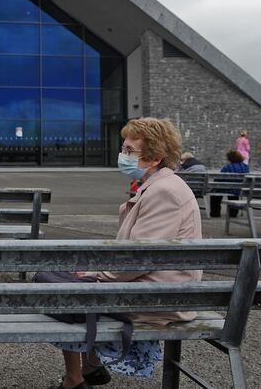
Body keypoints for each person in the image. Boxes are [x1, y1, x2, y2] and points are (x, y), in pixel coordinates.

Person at [51, 117, 202, 389]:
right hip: (159, 289)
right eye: (124, 148)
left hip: (155, 298)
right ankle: (90, 368)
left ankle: (75, 380)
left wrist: (95, 274)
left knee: (60, 291)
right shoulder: (161, 186)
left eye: (130, 151)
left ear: (154, 158)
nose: (123, 155)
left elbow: (139, 258)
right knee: (67, 281)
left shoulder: (164, 192)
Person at [209, 150, 250, 218]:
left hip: (227, 188)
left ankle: (215, 213)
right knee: (234, 192)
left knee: (215, 192)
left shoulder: (228, 167)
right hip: (239, 189)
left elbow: (220, 178)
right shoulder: (245, 167)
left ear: (230, 158)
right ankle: (233, 213)